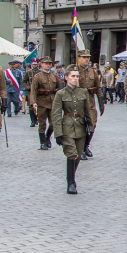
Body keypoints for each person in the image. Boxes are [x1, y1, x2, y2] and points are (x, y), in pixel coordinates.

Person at [52, 67, 93, 195]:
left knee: (78, 155)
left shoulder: (83, 92)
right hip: (67, 127)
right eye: (73, 76)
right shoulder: (61, 94)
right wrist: (58, 133)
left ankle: (71, 176)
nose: (75, 79)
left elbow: (88, 111)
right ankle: (71, 183)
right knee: (71, 154)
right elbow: (56, 114)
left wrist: (91, 128)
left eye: (77, 76)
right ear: (66, 78)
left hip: (80, 127)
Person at [72, 50, 105, 159]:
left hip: (90, 102)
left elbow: (98, 87)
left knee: (92, 125)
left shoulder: (93, 72)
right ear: (79, 58)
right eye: (84, 57)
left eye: (88, 57)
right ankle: (80, 149)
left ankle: (86, 145)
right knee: (80, 126)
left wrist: (101, 102)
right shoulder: (74, 71)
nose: (87, 59)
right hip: (78, 103)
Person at [30, 57, 58, 149]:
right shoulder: (37, 76)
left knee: (53, 123)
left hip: (52, 102)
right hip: (41, 102)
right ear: (41, 64)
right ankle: (42, 142)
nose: (48, 65)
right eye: (46, 63)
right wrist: (33, 102)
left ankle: (47, 137)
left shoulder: (54, 75)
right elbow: (33, 91)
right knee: (42, 123)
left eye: (49, 63)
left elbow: (59, 90)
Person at [26, 60, 41, 126]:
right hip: (31, 91)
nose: (35, 65)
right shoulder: (28, 72)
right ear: (31, 65)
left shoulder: (40, 72)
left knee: (38, 106)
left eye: (36, 64)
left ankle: (37, 119)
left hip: (39, 91)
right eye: (33, 64)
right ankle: (33, 121)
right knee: (31, 106)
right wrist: (27, 87)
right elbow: (24, 81)